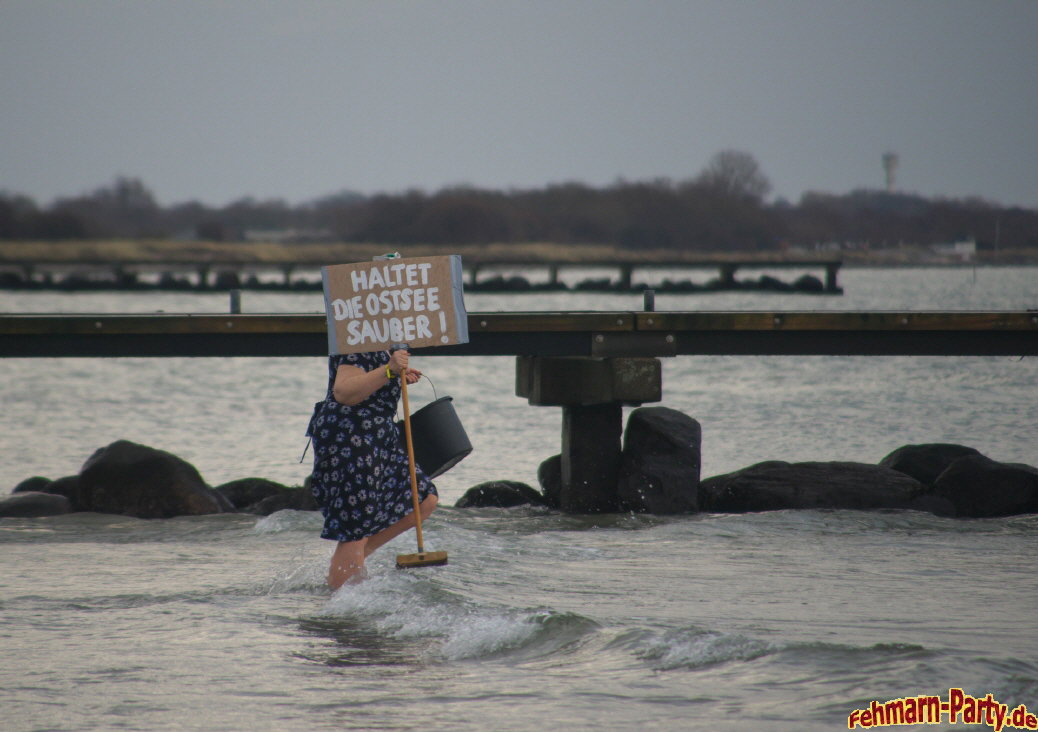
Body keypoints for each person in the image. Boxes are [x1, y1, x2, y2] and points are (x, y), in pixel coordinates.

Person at [307, 347, 438, 589]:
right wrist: (388, 370)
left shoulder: (382, 337)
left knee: (423, 498)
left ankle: (352, 559)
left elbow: (368, 379)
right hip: (350, 439)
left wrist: (393, 374)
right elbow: (344, 392)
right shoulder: (358, 337)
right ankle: (341, 608)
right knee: (356, 530)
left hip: (379, 438)